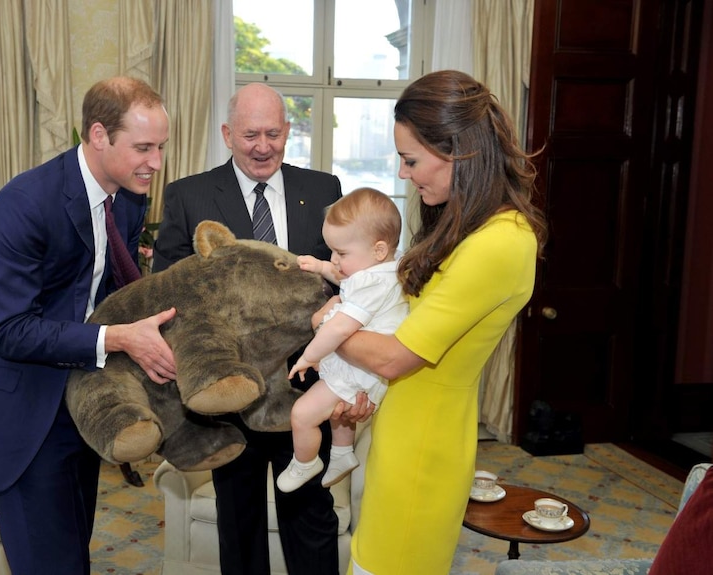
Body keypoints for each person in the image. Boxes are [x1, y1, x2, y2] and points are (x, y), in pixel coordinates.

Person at [0, 76, 177, 575]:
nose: (155, 162)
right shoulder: (21, 206)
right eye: (143, 147)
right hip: (21, 412)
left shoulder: (128, 198)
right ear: (99, 135)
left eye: (161, 147)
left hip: (76, 400)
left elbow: (104, 291)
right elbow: (10, 330)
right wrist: (118, 338)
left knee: (73, 554)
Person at [332, 70, 548, 574]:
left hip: (423, 451)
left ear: (459, 151)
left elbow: (393, 355)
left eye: (411, 160)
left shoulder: (500, 242)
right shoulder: (471, 228)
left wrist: (329, 324)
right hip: (402, 431)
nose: (404, 174)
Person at [152, 82, 344, 575]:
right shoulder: (189, 195)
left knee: (310, 511)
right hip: (228, 390)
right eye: (251, 134)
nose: (263, 146)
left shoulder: (322, 190)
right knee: (237, 517)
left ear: (287, 132)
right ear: (227, 134)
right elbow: (169, 292)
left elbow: (349, 281)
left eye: (274, 134)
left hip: (304, 384)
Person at [277, 187, 407, 493]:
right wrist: (323, 268)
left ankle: (305, 462)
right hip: (367, 368)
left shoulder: (371, 282)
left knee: (303, 414)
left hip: (360, 368)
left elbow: (337, 330)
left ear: (377, 249)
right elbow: (349, 280)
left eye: (341, 254)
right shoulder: (386, 268)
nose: (334, 259)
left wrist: (308, 356)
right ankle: (342, 453)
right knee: (339, 413)